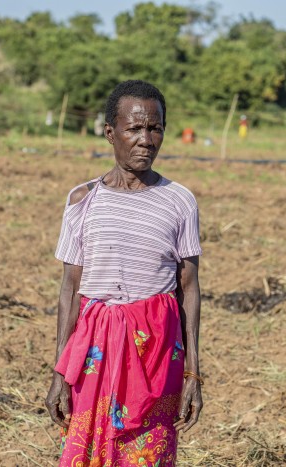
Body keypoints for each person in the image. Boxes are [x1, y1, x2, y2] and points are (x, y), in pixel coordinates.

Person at [46, 80, 203, 466]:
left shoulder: (179, 202)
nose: (146, 140)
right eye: (134, 129)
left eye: (155, 128)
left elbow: (190, 290)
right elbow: (70, 290)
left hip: (157, 353)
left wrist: (193, 376)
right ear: (110, 133)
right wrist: (59, 373)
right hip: (95, 353)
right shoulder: (83, 200)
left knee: (147, 456)